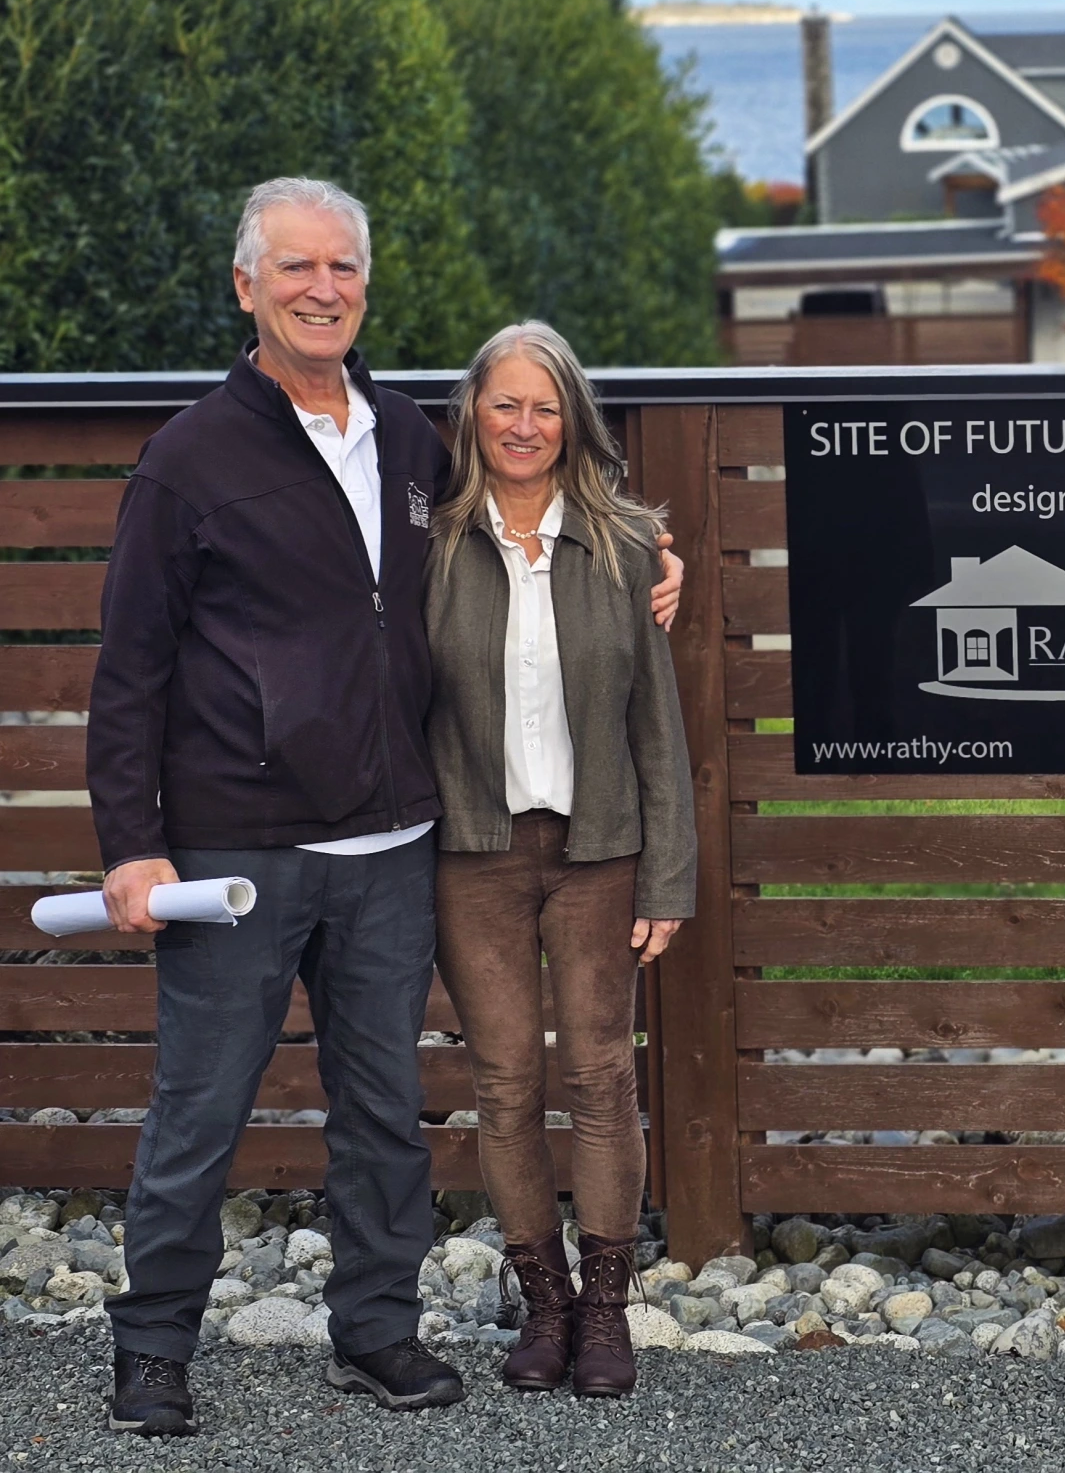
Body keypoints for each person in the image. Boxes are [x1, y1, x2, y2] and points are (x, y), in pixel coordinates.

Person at [86, 178, 682, 1437]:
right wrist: (131, 844)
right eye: (295, 267)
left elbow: (546, 500)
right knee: (200, 1108)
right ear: (246, 286)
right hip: (236, 849)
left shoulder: (412, 439)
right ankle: (152, 1355)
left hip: (393, 846)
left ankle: (375, 1334)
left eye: (342, 267)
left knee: (381, 1116)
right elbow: (130, 666)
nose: (321, 289)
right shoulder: (189, 459)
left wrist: (651, 560)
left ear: (365, 286)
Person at [425, 322, 695, 1397]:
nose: (524, 425)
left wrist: (667, 874)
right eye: (504, 405)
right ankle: (541, 1304)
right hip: (472, 852)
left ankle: (605, 1310)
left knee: (598, 1074)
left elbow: (656, 728)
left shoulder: (626, 544)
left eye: (545, 407)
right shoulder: (432, 539)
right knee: (502, 1083)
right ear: (473, 417)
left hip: (598, 850)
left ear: (573, 419)